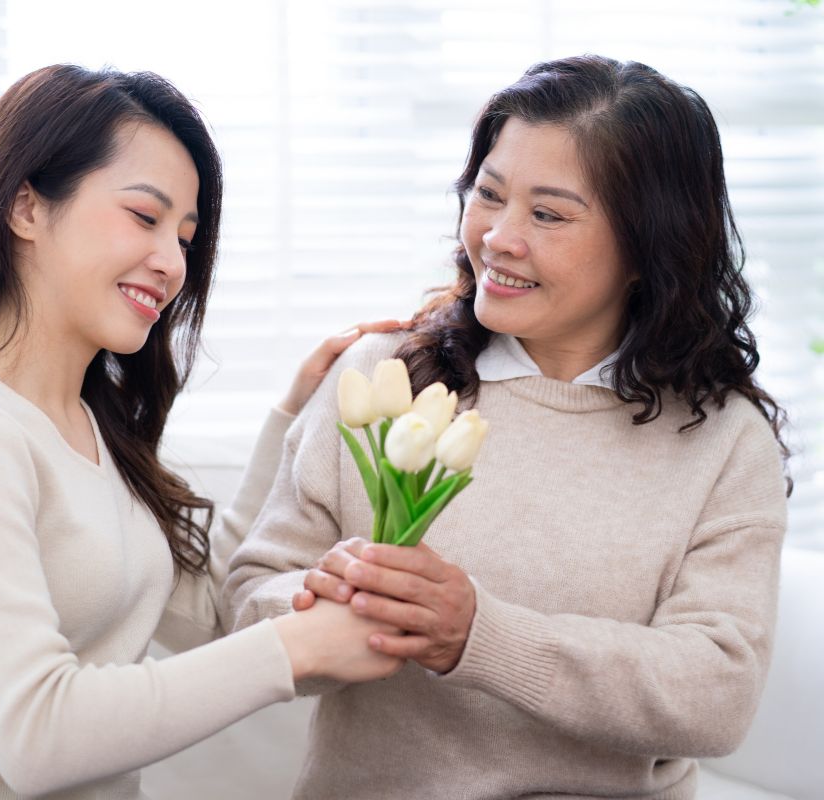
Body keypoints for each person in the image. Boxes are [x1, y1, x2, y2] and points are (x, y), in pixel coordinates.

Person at [0, 64, 405, 799]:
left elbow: (210, 619)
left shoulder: (91, 425)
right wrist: (291, 647)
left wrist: (293, 411)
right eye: (144, 217)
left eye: (186, 237)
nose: (171, 263)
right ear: (26, 208)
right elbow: (38, 737)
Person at [224, 54, 791, 799]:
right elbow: (248, 603)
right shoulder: (386, 375)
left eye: (548, 214)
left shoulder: (724, 439)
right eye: (488, 195)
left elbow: (715, 698)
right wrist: (321, 606)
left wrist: (478, 637)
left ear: (648, 247)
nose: (497, 238)